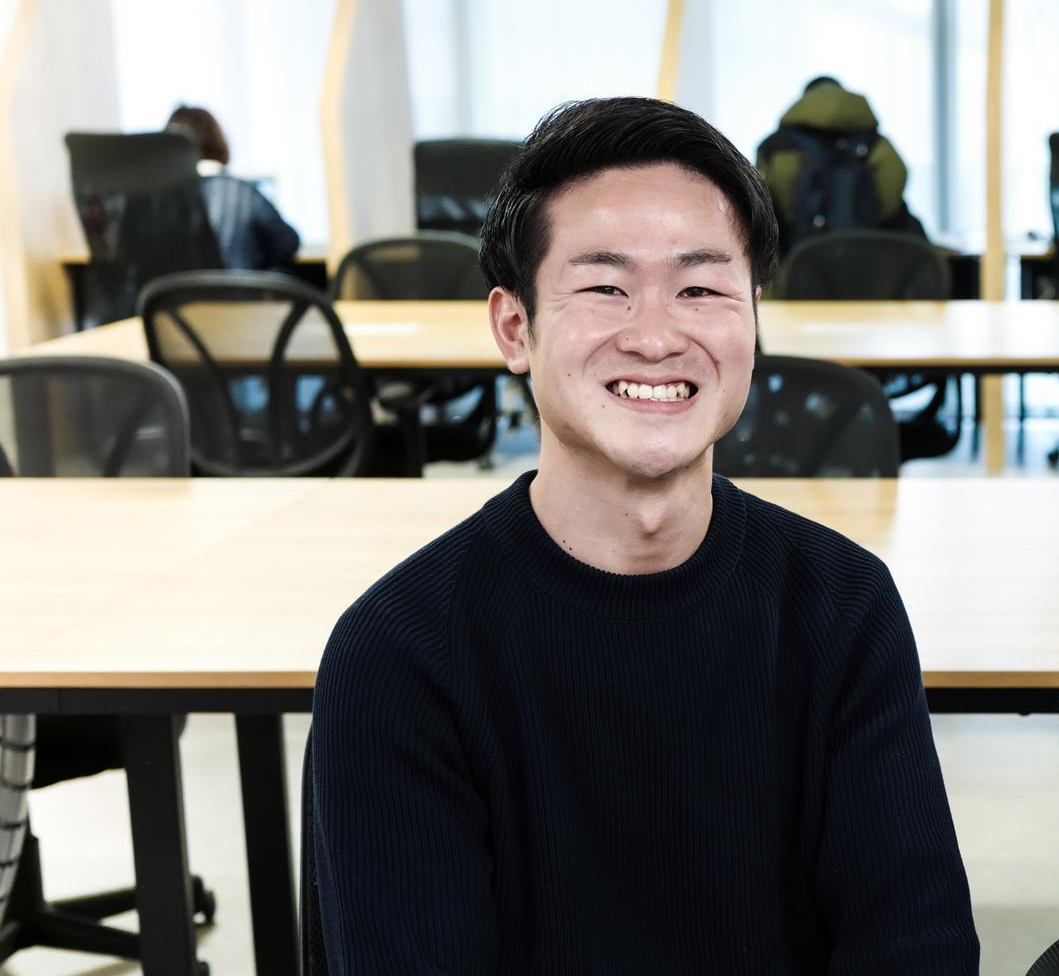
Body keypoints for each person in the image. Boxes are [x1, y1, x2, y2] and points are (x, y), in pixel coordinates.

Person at [309, 97, 979, 975]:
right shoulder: (401, 655)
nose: (657, 337)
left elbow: (917, 948)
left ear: (752, 317)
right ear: (515, 327)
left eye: (700, 289)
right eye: (605, 288)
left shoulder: (841, 607)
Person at [756, 75, 925, 257]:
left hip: (797, 266)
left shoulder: (776, 147)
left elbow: (764, 210)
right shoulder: (878, 145)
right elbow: (893, 204)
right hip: (873, 265)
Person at [164, 105, 300, 271]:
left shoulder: (159, 202)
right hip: (238, 287)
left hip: (175, 289)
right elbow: (287, 244)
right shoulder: (243, 194)